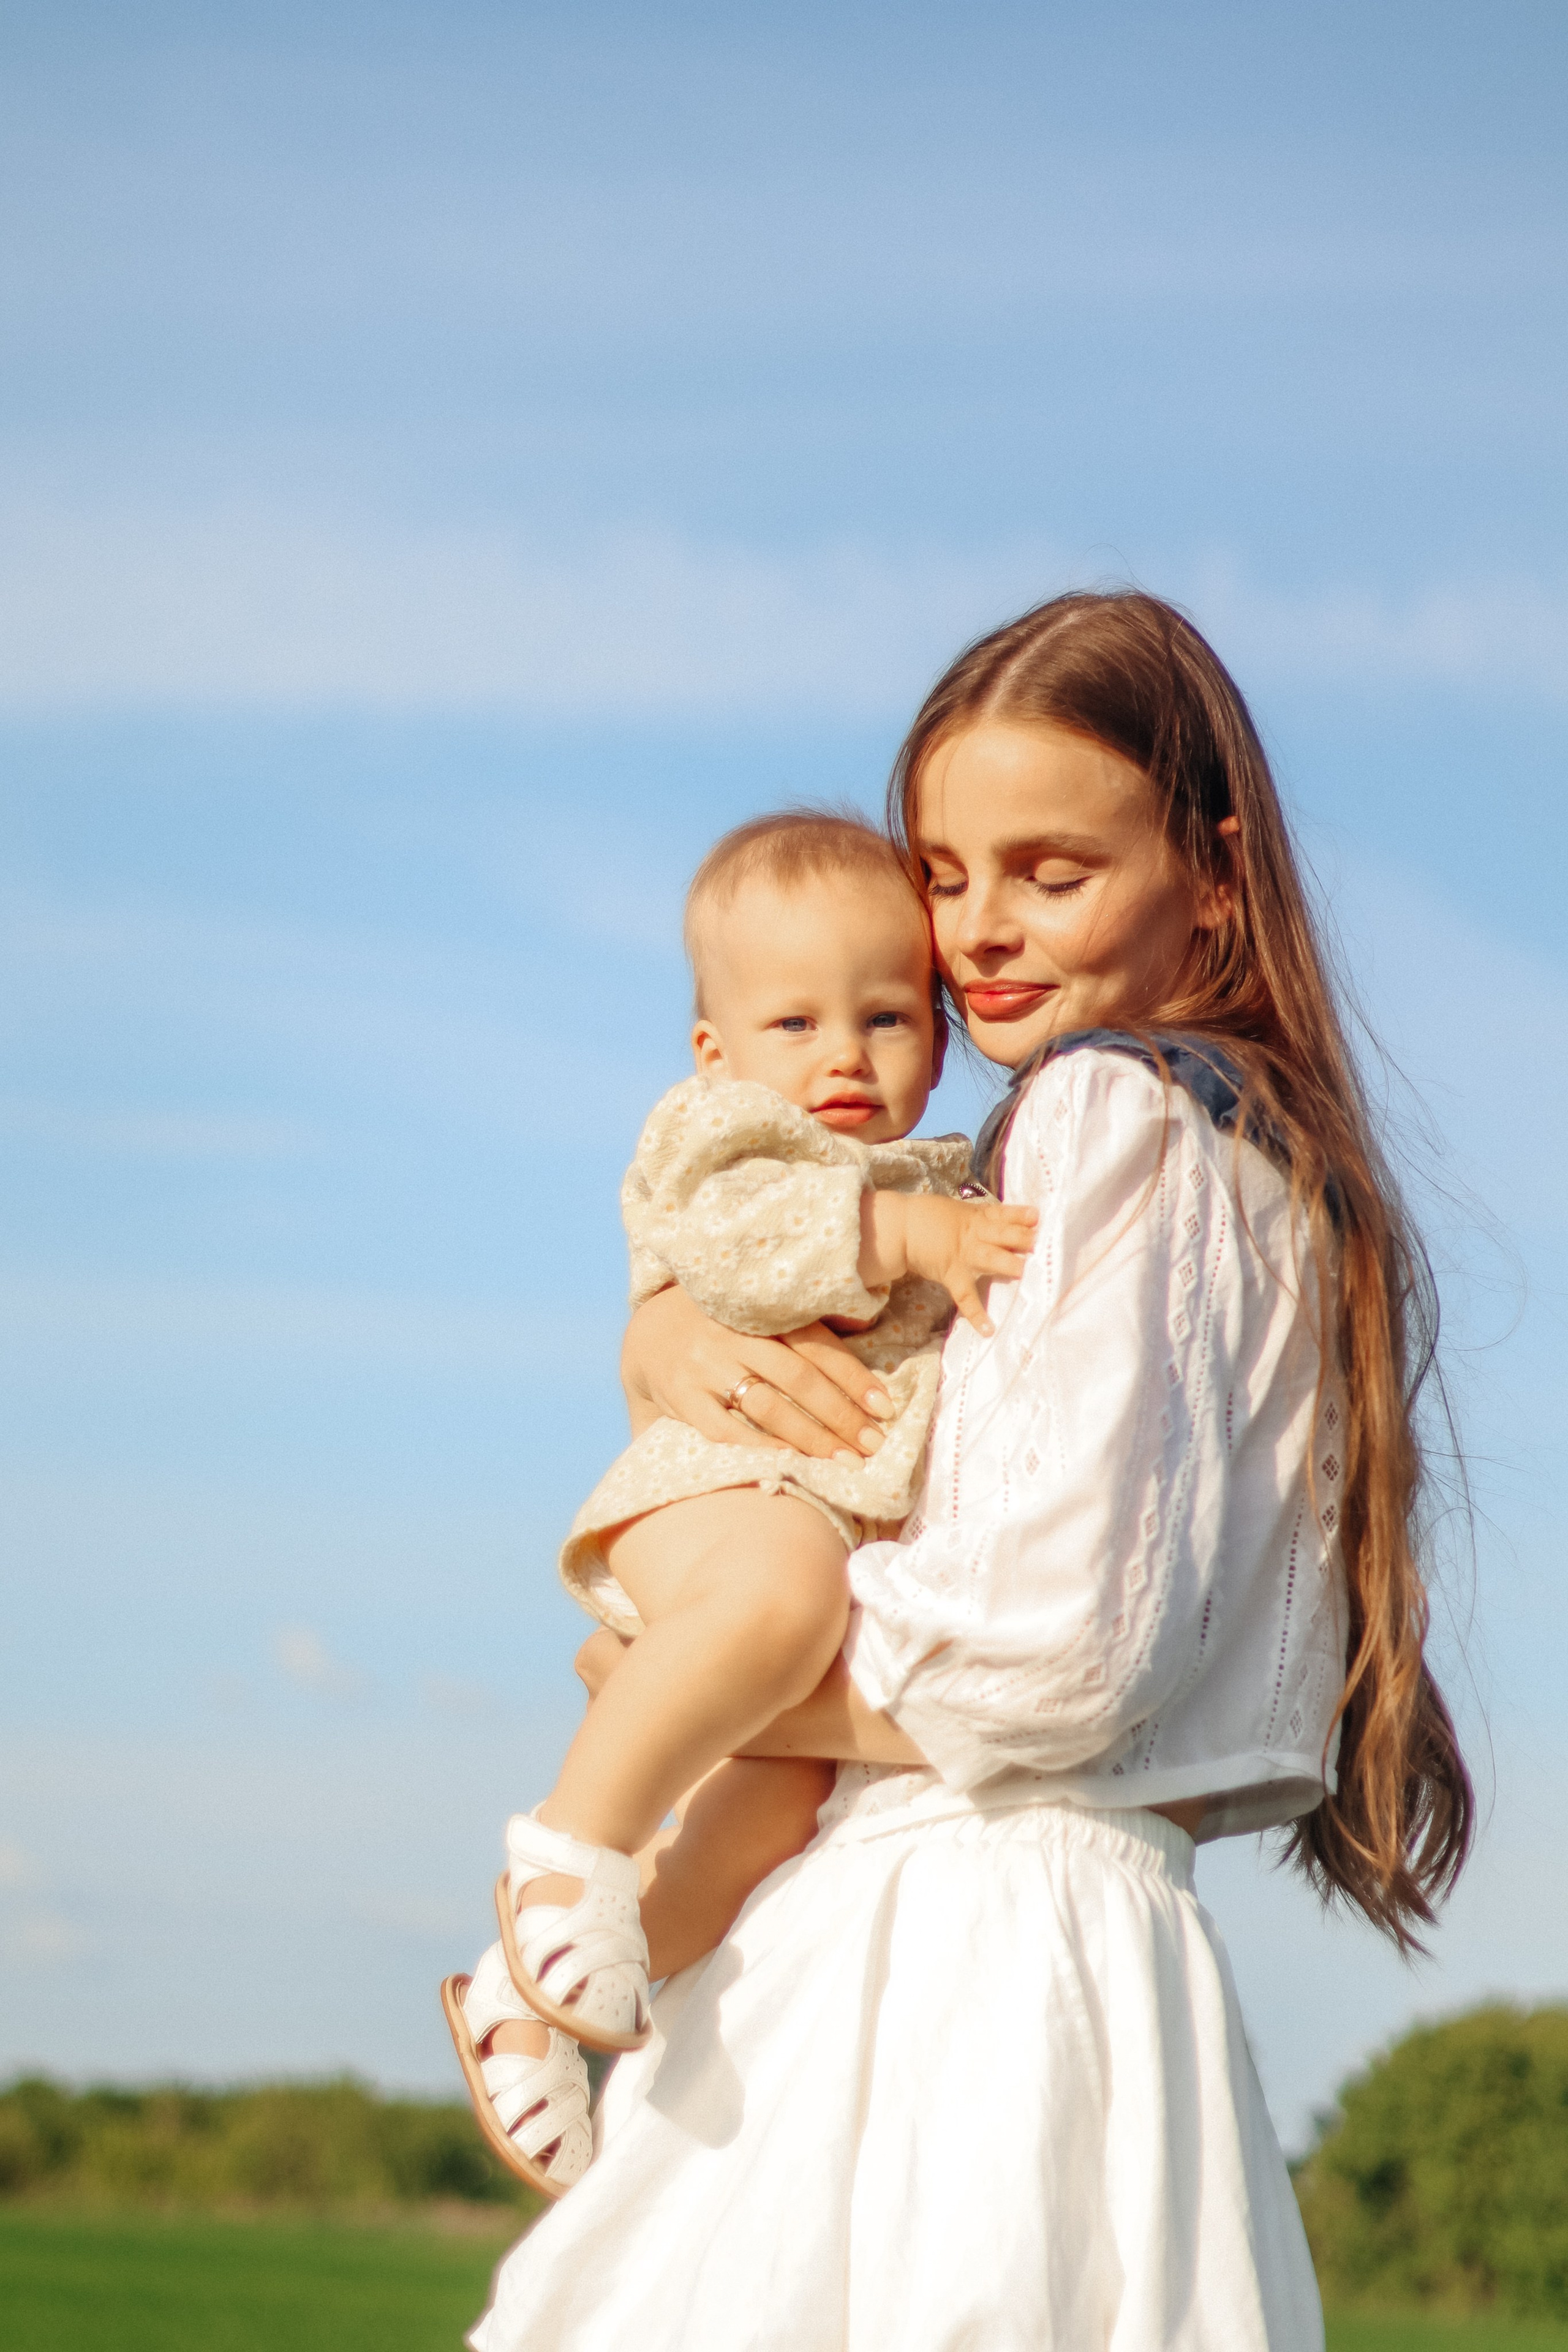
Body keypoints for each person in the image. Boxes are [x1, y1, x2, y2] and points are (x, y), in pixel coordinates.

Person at [472, 590, 1472, 2350]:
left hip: (957, 1943)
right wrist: (663, 1335)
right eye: (942, 873)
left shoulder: (1106, 1113)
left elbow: (1054, 1653)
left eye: (1052, 872)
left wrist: (699, 1687)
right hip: (1092, 1948)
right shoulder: (1275, 1164)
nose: (980, 933)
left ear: (1216, 873)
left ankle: (559, 1915)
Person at [442, 811, 1036, 2199]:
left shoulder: (941, 1174)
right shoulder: (724, 1139)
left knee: (761, 1818)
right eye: (794, 1022)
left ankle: (525, 2004)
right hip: (715, 1491)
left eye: (887, 1017)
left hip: (807, 1510)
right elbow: (737, 1247)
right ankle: (563, 1853)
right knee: (775, 1602)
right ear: (714, 1048)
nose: (842, 1054)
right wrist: (906, 1240)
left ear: (937, 1036)